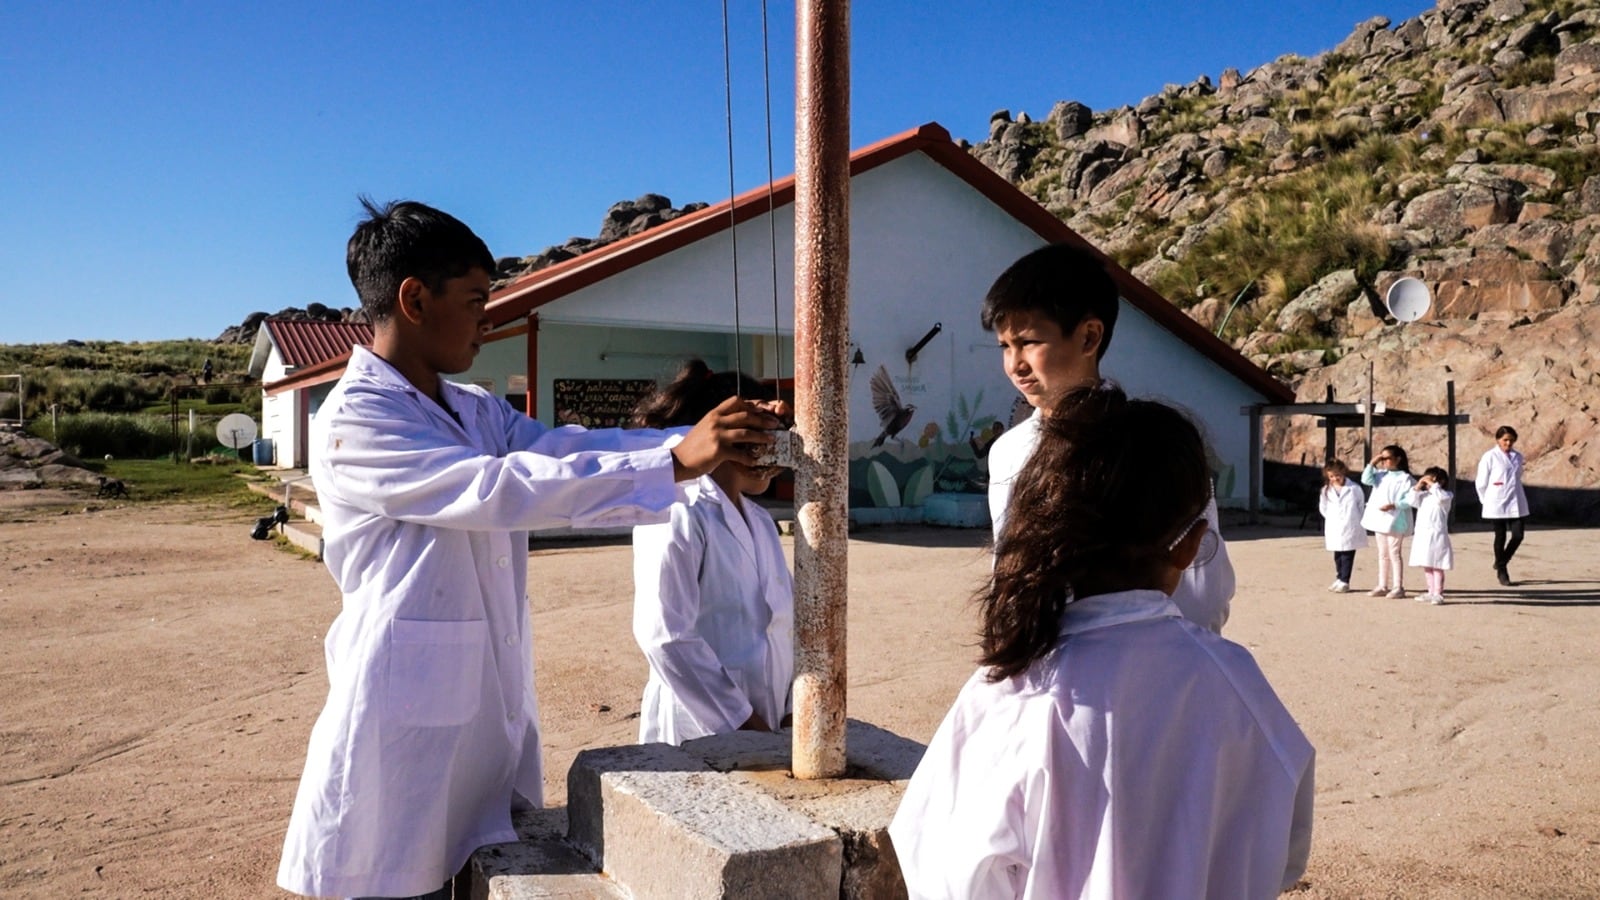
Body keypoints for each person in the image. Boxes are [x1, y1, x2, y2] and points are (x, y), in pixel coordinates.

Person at [276, 199, 784, 900]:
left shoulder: (475, 408)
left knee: (477, 865)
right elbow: (497, 489)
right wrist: (672, 462)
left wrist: (694, 442)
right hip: (400, 726)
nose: (489, 320)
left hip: (480, 715)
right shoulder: (356, 420)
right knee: (401, 878)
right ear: (414, 299)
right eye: (476, 300)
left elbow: (561, 449)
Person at [889, 384, 1314, 899]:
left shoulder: (1010, 690)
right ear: (1189, 546)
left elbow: (938, 864)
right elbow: (1285, 846)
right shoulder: (1237, 686)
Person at [982, 242, 1235, 633]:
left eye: (1029, 343)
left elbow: (1203, 585)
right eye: (1005, 346)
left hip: (1149, 660)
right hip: (1042, 669)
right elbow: (1008, 571)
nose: (1015, 364)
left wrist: (1182, 658)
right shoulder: (1008, 452)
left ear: (1088, 337)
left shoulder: (1148, 446)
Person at [629, 360, 794, 745]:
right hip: (702, 725)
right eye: (768, 435)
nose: (777, 452)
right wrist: (743, 723)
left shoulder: (760, 522)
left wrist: (789, 715)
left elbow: (784, 623)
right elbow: (665, 635)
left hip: (769, 722)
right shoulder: (677, 510)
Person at [1360, 444, 1416, 599]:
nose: (1384, 461)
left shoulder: (1406, 479)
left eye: (1387, 458)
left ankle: (1398, 586)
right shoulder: (1380, 475)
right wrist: (1372, 463)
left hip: (1396, 519)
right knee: (1382, 553)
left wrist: (1395, 505)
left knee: (1394, 553)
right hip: (1380, 519)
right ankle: (1382, 585)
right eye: (1382, 458)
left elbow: (1411, 499)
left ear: (1398, 459)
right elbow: (1365, 479)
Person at [1475, 425, 1529, 586]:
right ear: (1498, 440)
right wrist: (1486, 500)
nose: (1508, 443)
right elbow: (1481, 482)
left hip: (1515, 500)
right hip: (1496, 501)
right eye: (1505, 440)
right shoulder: (1489, 457)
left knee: (1518, 535)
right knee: (1500, 535)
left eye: (1511, 440)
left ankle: (1501, 561)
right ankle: (1502, 571)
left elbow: (1518, 476)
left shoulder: (1518, 456)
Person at [1405, 466, 1454, 605]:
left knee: (1437, 564)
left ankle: (1438, 593)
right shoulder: (1423, 496)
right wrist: (1418, 486)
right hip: (1423, 534)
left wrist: (1433, 485)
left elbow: (1442, 497)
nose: (1428, 484)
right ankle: (1430, 591)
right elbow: (1411, 501)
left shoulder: (1446, 495)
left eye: (1431, 480)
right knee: (1427, 564)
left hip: (1437, 534)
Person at [1319, 458, 1366, 592]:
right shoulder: (1325, 490)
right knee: (1338, 554)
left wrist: (1356, 520)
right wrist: (1332, 518)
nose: (1335, 479)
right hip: (1334, 526)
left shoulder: (1354, 488)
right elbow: (1323, 507)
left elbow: (1360, 506)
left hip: (1350, 525)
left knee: (1347, 554)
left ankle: (1345, 580)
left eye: (1337, 475)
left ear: (1344, 473)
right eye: (1331, 476)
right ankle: (1339, 578)